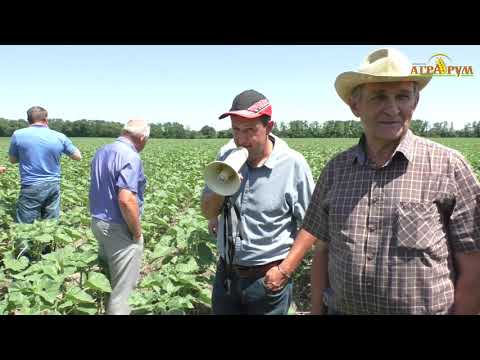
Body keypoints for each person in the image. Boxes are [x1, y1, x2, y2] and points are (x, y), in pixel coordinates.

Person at [297, 47, 480, 315]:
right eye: (379, 97)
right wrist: (316, 310)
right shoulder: (336, 170)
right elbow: (323, 250)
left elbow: (474, 266)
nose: (392, 109)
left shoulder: (449, 166)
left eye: (402, 96)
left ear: (414, 103)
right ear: (355, 106)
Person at [201, 89, 315, 315]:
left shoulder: (292, 165)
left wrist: (284, 270)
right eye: (236, 129)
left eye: (250, 130)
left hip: (267, 280)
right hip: (226, 274)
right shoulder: (226, 154)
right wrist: (223, 187)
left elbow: (312, 225)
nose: (242, 139)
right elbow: (207, 211)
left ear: (269, 127)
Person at [89, 119, 149, 315]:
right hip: (118, 227)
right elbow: (126, 200)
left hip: (98, 222)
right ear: (141, 138)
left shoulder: (102, 151)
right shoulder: (131, 156)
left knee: (108, 277)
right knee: (123, 290)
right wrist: (137, 233)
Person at [8, 106, 82, 223]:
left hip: (31, 184)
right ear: (46, 120)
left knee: (25, 226)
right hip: (53, 184)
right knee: (50, 224)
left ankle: (25, 241)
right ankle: (47, 241)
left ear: (28, 120)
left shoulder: (18, 134)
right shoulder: (59, 136)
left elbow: (12, 160)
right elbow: (78, 156)